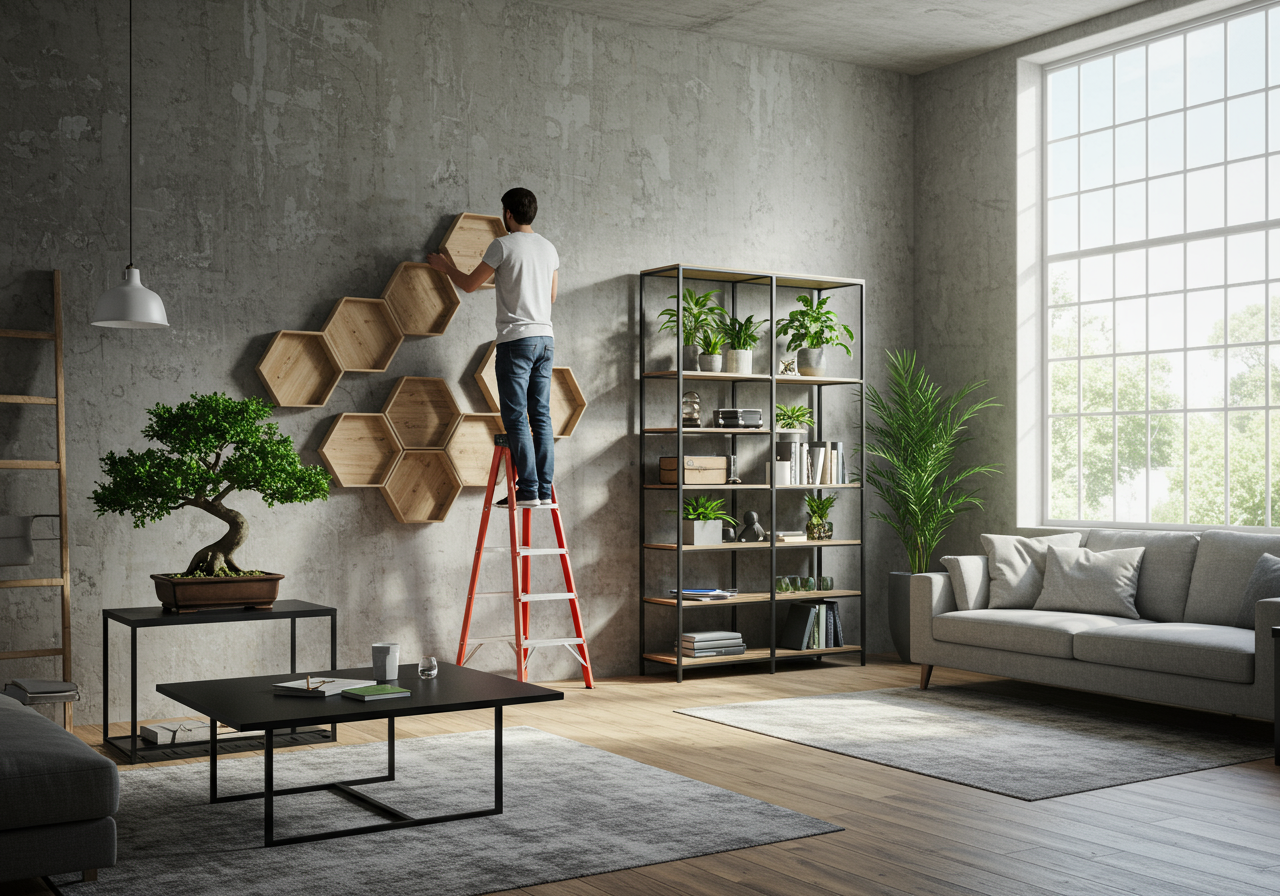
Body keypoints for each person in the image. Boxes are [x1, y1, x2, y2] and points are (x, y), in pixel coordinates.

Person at [427, 188, 559, 508]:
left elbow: (470, 284)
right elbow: (551, 297)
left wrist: (445, 266)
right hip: (546, 339)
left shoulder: (502, 245)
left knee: (515, 416)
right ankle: (543, 489)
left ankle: (528, 490)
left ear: (508, 213)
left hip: (516, 341)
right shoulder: (548, 247)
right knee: (540, 416)